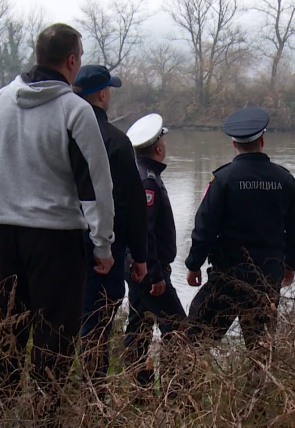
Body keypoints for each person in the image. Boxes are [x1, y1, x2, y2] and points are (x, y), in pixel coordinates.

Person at [0, 23, 115, 425]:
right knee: (56, 331)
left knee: (12, 322)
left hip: (8, 231)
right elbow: (96, 184)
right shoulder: (76, 110)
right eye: (80, 57)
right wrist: (102, 244)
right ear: (71, 61)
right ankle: (44, 414)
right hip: (58, 236)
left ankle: (1, 411)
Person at [184, 107, 295, 354]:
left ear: (233, 143)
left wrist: (194, 264)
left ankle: (181, 390)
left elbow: (205, 226)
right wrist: (290, 265)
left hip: (227, 276)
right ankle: (258, 392)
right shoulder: (285, 180)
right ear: (262, 140)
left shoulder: (223, 180)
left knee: (195, 342)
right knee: (260, 350)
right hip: (267, 279)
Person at [72, 65, 149, 396]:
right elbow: (132, 206)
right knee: (97, 321)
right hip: (105, 247)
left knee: (67, 316)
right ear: (102, 94)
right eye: (110, 90)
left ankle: (63, 392)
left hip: (60, 240)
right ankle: (95, 395)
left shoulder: (62, 131)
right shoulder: (117, 141)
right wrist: (141, 257)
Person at [123, 113, 187, 394]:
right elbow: (144, 231)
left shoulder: (134, 173)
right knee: (178, 330)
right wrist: (156, 274)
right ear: (158, 148)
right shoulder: (148, 180)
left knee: (138, 325)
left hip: (135, 267)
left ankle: (140, 391)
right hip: (149, 271)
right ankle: (175, 394)